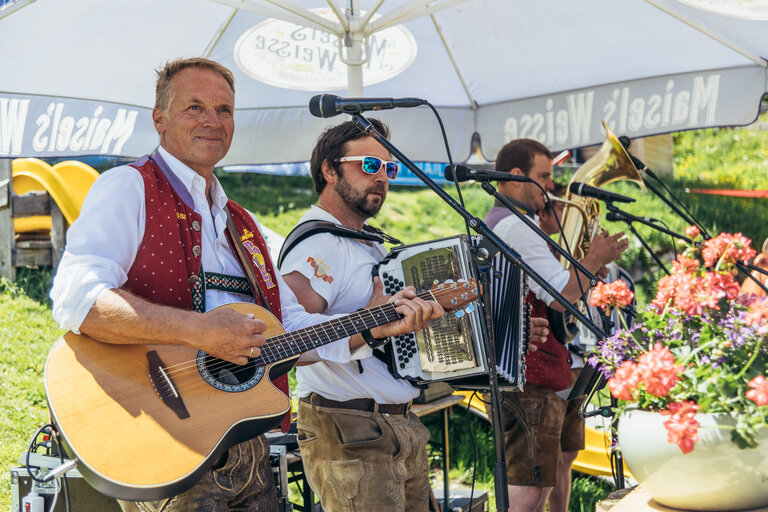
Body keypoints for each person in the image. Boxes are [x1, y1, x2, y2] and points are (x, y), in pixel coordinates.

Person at [49, 58, 442, 512]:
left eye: (224, 110)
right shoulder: (129, 187)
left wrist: (373, 326)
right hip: (170, 441)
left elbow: (290, 325)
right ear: (159, 119)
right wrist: (199, 332)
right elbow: (78, 298)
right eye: (194, 107)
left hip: (249, 448)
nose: (212, 121)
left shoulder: (243, 223)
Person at [485, 139, 628, 512]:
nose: (551, 186)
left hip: (529, 372)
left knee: (536, 488)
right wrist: (594, 258)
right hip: (528, 376)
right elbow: (560, 296)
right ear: (516, 177)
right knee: (528, 491)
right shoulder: (517, 227)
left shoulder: (513, 223)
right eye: (544, 176)